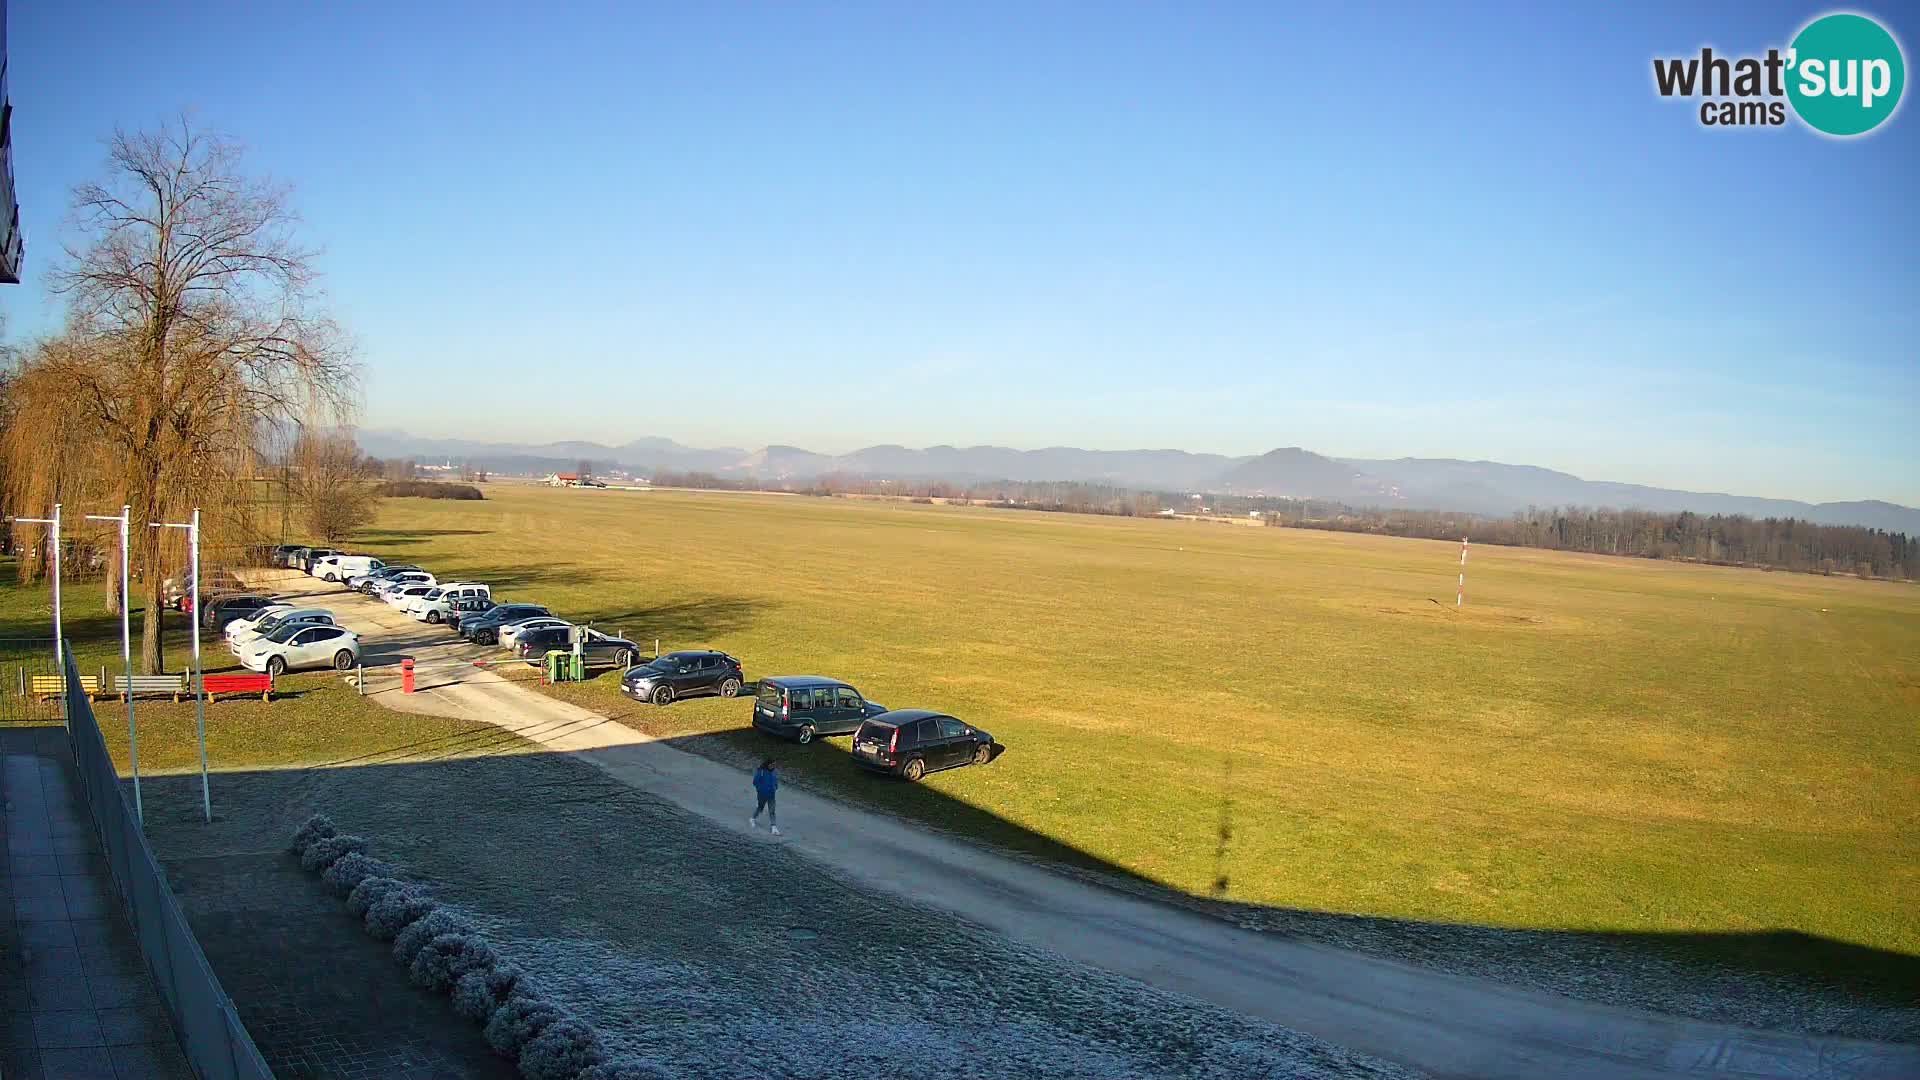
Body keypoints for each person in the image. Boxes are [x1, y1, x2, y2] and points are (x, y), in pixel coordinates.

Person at [750, 759, 780, 835]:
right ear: (768, 764)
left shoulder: (774, 772)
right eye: (772, 764)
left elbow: (775, 780)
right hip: (762, 794)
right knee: (760, 808)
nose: (774, 766)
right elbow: (755, 782)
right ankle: (753, 818)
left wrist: (775, 787)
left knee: (772, 810)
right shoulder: (761, 771)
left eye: (774, 765)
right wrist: (760, 789)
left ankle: (774, 827)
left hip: (771, 795)